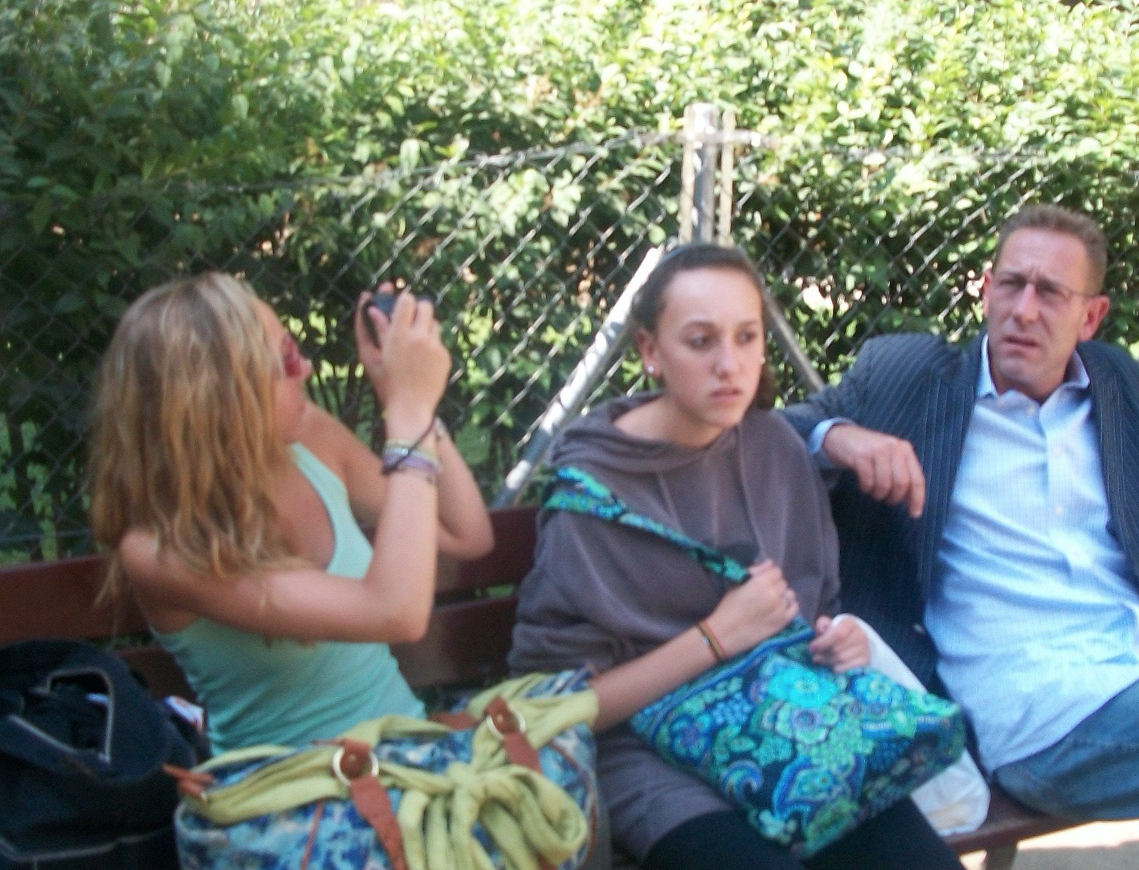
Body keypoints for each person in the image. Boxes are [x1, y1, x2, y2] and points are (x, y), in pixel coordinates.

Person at [509, 244, 966, 870]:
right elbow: (557, 706)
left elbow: (811, 613)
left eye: (746, 337)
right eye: (701, 341)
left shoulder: (774, 446)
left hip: (784, 733)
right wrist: (715, 637)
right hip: (646, 758)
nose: (729, 365)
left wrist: (835, 642)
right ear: (649, 351)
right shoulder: (592, 495)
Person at [782, 203, 1139, 821]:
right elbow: (768, 429)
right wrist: (839, 436)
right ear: (986, 290)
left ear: (1091, 316)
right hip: (1042, 711)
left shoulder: (1116, 384)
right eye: (1011, 284)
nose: (1023, 310)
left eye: (1050, 293)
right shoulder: (909, 376)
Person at [87, 273, 494, 754]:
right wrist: (408, 411)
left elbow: (466, 534)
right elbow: (396, 613)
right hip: (293, 785)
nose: (307, 368)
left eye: (293, 347)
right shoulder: (161, 548)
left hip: (408, 749)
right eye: (285, 359)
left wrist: (405, 400)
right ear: (221, 396)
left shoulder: (310, 440)